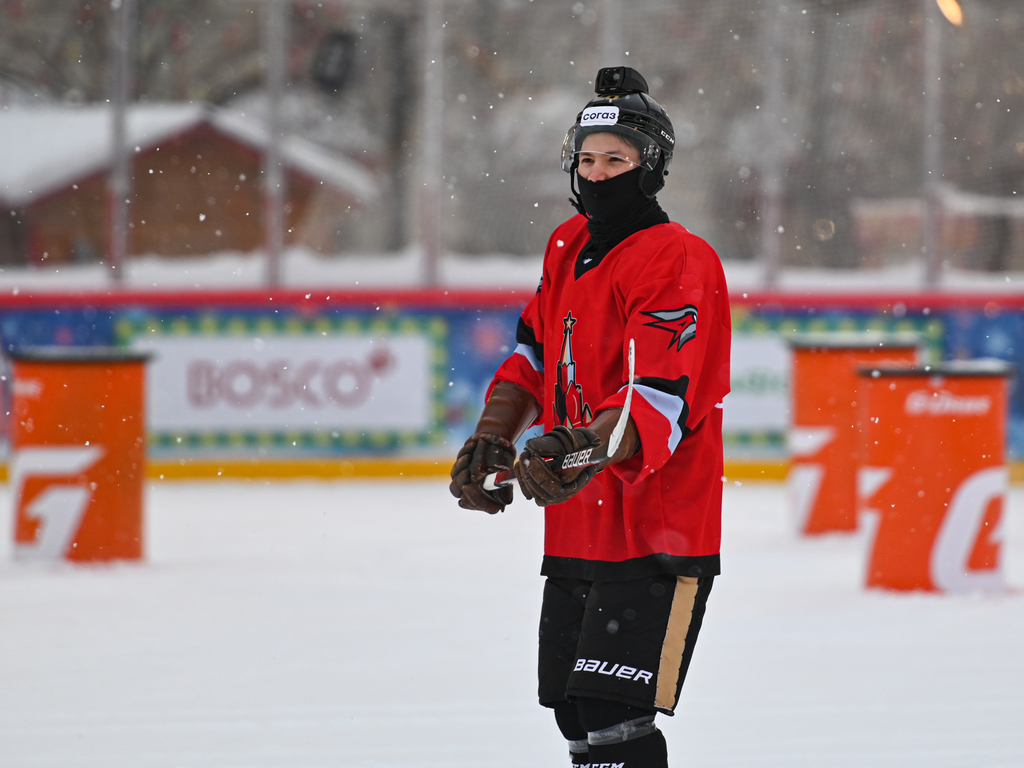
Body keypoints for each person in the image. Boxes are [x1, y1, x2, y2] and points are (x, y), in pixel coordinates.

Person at [450, 66, 731, 768]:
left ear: (652, 167)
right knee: (573, 713)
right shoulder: (566, 245)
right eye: (587, 159)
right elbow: (533, 354)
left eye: (617, 160)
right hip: (578, 522)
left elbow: (660, 392)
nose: (597, 173)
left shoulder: (679, 258)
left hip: (656, 526)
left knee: (617, 720)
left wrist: (585, 446)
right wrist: (493, 434)